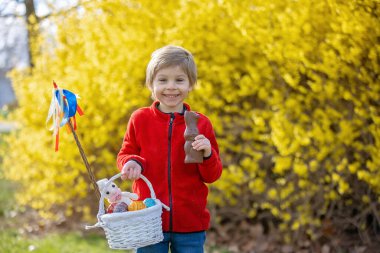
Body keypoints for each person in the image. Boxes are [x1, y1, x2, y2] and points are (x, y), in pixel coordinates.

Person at [117, 45, 223, 253]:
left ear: (190, 84)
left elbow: (212, 175)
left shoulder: (201, 124)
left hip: (190, 220)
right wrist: (131, 162)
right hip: (148, 217)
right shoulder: (140, 119)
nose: (171, 87)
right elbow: (125, 153)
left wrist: (208, 153)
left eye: (179, 80)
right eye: (163, 80)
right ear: (151, 84)